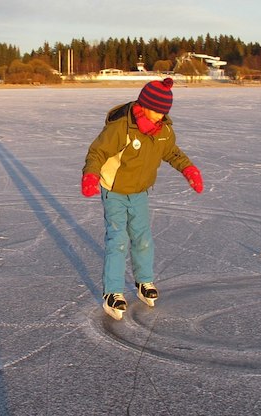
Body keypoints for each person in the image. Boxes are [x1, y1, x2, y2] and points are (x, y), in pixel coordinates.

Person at [81, 77, 203, 320]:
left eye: (164, 111)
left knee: (142, 238)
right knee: (118, 238)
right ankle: (113, 293)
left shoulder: (164, 131)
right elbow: (97, 151)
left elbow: (173, 153)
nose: (160, 115)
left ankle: (144, 281)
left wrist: (189, 170)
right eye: (157, 110)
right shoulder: (122, 128)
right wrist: (91, 175)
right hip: (114, 190)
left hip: (139, 192)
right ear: (144, 104)